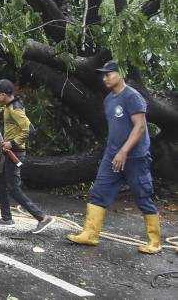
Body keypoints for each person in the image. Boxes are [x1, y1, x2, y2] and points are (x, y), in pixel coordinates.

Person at [67, 61, 161, 254]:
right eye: (104, 75)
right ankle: (90, 234)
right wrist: (114, 150)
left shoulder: (133, 97)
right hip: (113, 155)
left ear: (121, 74)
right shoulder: (109, 99)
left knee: (143, 195)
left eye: (109, 74)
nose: (105, 78)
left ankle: (155, 241)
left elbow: (140, 127)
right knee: (99, 191)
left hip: (135, 157)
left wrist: (124, 151)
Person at [0, 79, 54, 234]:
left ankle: (42, 217)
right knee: (0, 184)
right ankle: (6, 218)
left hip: (14, 153)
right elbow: (8, 116)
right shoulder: (9, 106)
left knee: (13, 188)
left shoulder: (15, 109)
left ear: (3, 95)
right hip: (8, 152)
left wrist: (12, 143)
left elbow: (29, 130)